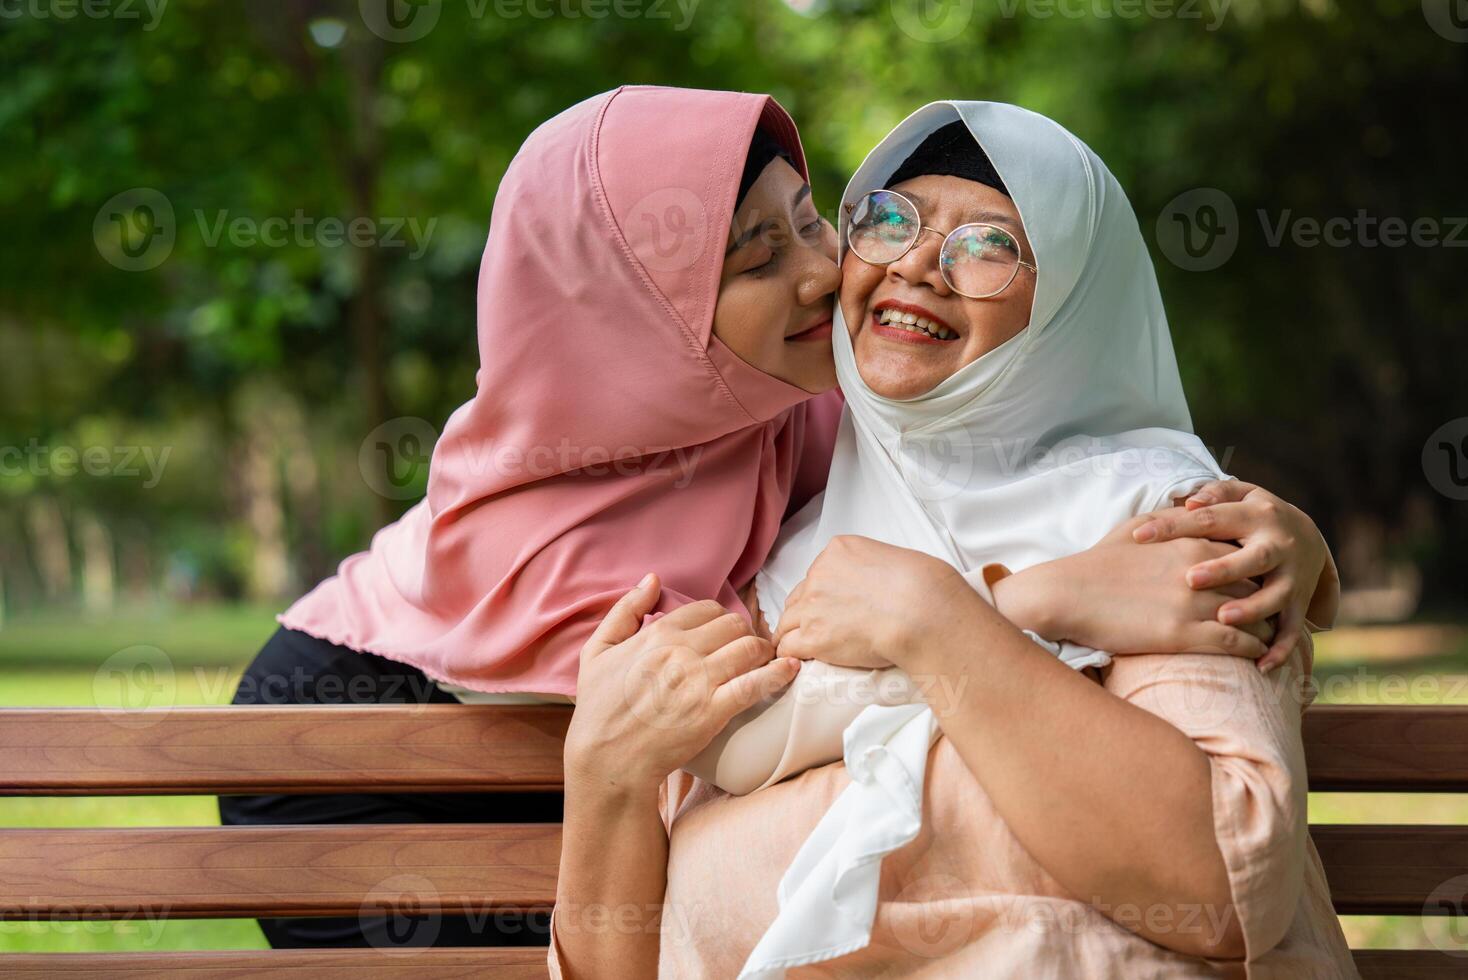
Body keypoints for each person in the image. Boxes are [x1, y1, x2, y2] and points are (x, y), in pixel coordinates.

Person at [219, 86, 1335, 954]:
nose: (826, 274)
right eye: (758, 255)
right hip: (352, 733)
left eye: (813, 222)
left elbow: (1029, 420)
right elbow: (751, 707)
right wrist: (1028, 599)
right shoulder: (554, 523)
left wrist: (1288, 542)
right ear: (642, 321)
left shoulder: (811, 423)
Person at [551, 102, 1357, 978]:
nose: (920, 266)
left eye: (989, 245)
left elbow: (1221, 889)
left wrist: (936, 619)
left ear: (1073, 306)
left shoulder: (1162, 526)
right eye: (890, 220)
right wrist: (605, 781)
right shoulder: (766, 572)